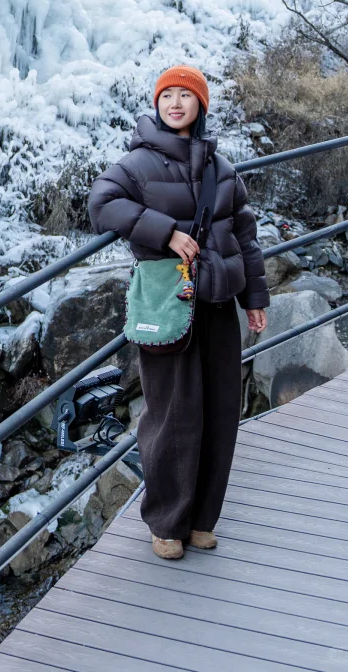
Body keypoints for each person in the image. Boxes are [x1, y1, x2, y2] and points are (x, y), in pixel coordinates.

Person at [88, 65, 270, 561]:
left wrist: (255, 299)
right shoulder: (138, 163)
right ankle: (167, 523)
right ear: (157, 104)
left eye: (185, 96)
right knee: (172, 415)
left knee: (220, 412)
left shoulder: (222, 169)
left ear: (200, 106)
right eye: (166, 95)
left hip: (218, 303)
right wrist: (165, 231)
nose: (174, 103)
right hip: (170, 305)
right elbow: (101, 203)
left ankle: (202, 519)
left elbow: (246, 237)